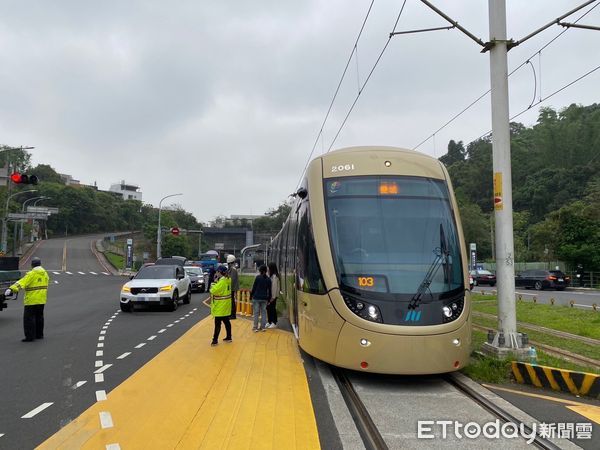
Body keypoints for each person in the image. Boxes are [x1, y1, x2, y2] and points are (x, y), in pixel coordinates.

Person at [5, 257, 50, 342]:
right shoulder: (45, 274)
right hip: (41, 299)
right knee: (39, 317)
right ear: (40, 264)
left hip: (31, 300)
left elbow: (21, 283)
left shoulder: (31, 274)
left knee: (29, 319)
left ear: (32, 265)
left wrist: (11, 289)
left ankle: (30, 337)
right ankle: (39, 335)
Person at [210, 265, 232, 346]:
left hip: (220, 306)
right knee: (226, 321)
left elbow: (213, 290)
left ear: (220, 272)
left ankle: (215, 340)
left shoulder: (221, 281)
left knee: (217, 323)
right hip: (226, 304)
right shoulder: (228, 279)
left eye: (217, 271)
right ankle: (229, 337)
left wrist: (214, 282)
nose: (216, 273)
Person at [250, 264, 271, 332]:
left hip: (256, 298)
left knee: (256, 313)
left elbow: (254, 288)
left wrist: (251, 296)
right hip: (264, 298)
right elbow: (269, 290)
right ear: (266, 271)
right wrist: (269, 299)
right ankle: (263, 327)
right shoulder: (268, 279)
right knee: (264, 313)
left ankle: (255, 327)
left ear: (260, 271)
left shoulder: (258, 277)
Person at [266, 262, 280, 329]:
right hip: (270, 295)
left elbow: (274, 288)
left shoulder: (274, 277)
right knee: (268, 308)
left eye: (268, 267)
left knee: (272, 309)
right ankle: (269, 321)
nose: (268, 269)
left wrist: (273, 297)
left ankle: (274, 322)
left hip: (273, 296)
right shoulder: (271, 276)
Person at [227, 254, 239, 320]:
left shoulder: (233, 269)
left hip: (232, 288)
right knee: (231, 301)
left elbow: (232, 279)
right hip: (231, 288)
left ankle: (233, 315)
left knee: (232, 301)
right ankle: (231, 314)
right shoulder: (231, 269)